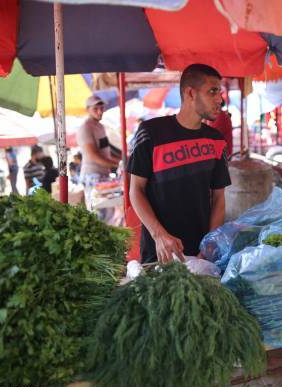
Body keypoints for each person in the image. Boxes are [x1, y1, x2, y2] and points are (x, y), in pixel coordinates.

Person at [128, 64, 231, 263]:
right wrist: (159, 235)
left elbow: (219, 197)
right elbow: (136, 190)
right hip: (160, 253)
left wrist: (209, 244)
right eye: (212, 91)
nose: (220, 99)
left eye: (220, 92)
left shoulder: (216, 140)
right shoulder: (150, 133)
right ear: (191, 93)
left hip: (200, 253)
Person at [77, 95, 120, 214]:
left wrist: (122, 160)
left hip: (103, 174)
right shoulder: (85, 128)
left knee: (108, 212)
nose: (100, 111)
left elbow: (106, 151)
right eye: (96, 108)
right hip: (92, 175)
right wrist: (118, 163)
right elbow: (92, 155)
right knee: (98, 212)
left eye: (101, 108)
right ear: (88, 109)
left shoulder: (100, 126)